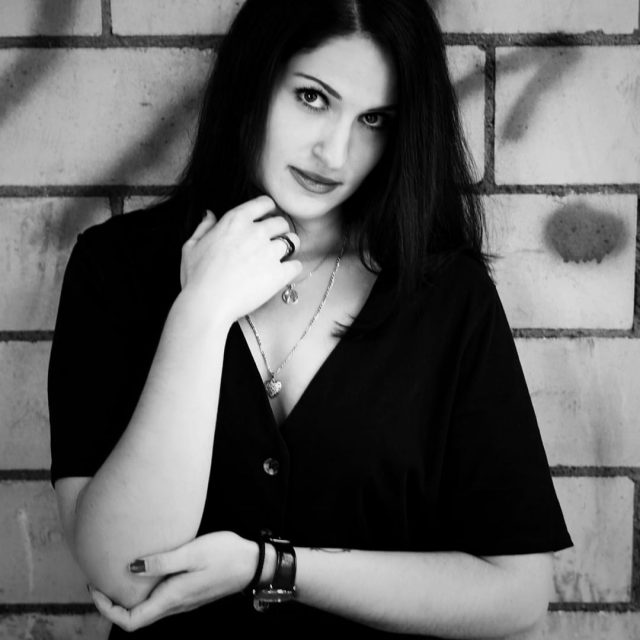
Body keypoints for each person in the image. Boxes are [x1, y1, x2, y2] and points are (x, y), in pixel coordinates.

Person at [47, 0, 573, 637]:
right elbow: (124, 574)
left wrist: (273, 567)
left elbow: (518, 593)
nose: (335, 153)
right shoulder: (117, 269)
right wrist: (200, 314)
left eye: (374, 119)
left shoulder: (444, 294)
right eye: (313, 98)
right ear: (254, 80)